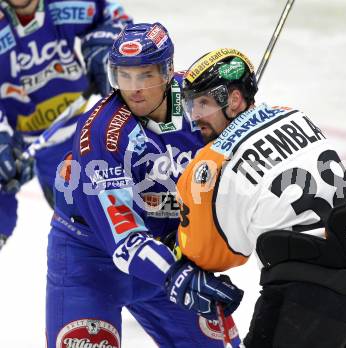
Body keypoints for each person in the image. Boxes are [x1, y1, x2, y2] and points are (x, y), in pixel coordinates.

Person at [164, 48, 346, 347]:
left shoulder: (210, 164)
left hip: (311, 304)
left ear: (234, 100)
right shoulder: (296, 115)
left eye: (203, 103)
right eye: (190, 104)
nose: (194, 115)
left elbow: (213, 256)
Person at [48, 23, 244, 347]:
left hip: (166, 249)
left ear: (167, 72)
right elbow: (124, 239)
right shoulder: (101, 133)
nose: (133, 89)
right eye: (124, 76)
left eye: (145, 76)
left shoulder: (199, 99)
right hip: (89, 256)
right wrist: (178, 274)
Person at [0, 0, 130, 250]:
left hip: (80, 130)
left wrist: (104, 48)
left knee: (103, 226)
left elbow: (112, 17)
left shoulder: (65, 3)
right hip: (19, 137)